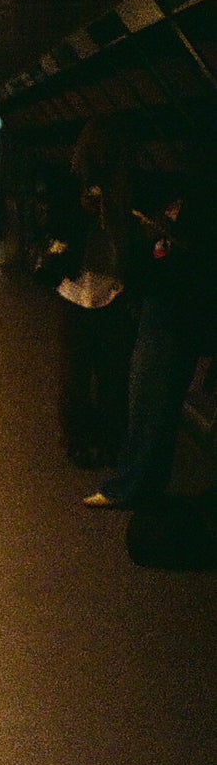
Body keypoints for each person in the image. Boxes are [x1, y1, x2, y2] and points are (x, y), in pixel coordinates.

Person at [86, 128, 217, 510]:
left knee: (150, 388)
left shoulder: (191, 184)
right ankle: (136, 481)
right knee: (150, 389)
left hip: (183, 294)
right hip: (182, 290)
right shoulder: (187, 183)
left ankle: (134, 483)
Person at [39, 119, 136, 468]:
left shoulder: (69, 183)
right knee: (110, 370)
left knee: (76, 372)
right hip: (111, 289)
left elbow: (55, 231)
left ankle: (80, 439)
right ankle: (110, 440)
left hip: (77, 289)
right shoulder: (125, 187)